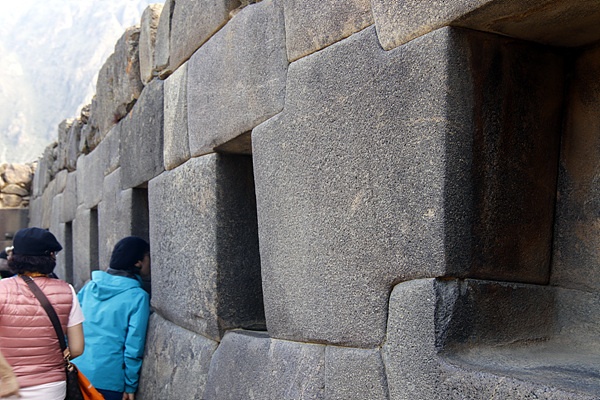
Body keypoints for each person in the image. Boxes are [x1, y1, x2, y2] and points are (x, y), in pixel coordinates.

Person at [0, 227, 85, 400]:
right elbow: (77, 348)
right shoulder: (67, 290)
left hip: (7, 385)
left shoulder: (1, 289)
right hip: (51, 386)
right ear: (50, 257)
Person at [74, 236, 151, 400]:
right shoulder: (138, 297)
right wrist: (131, 385)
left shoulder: (89, 288)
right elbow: (133, 346)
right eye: (148, 256)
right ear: (138, 262)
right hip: (109, 379)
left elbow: (71, 327)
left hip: (78, 372)